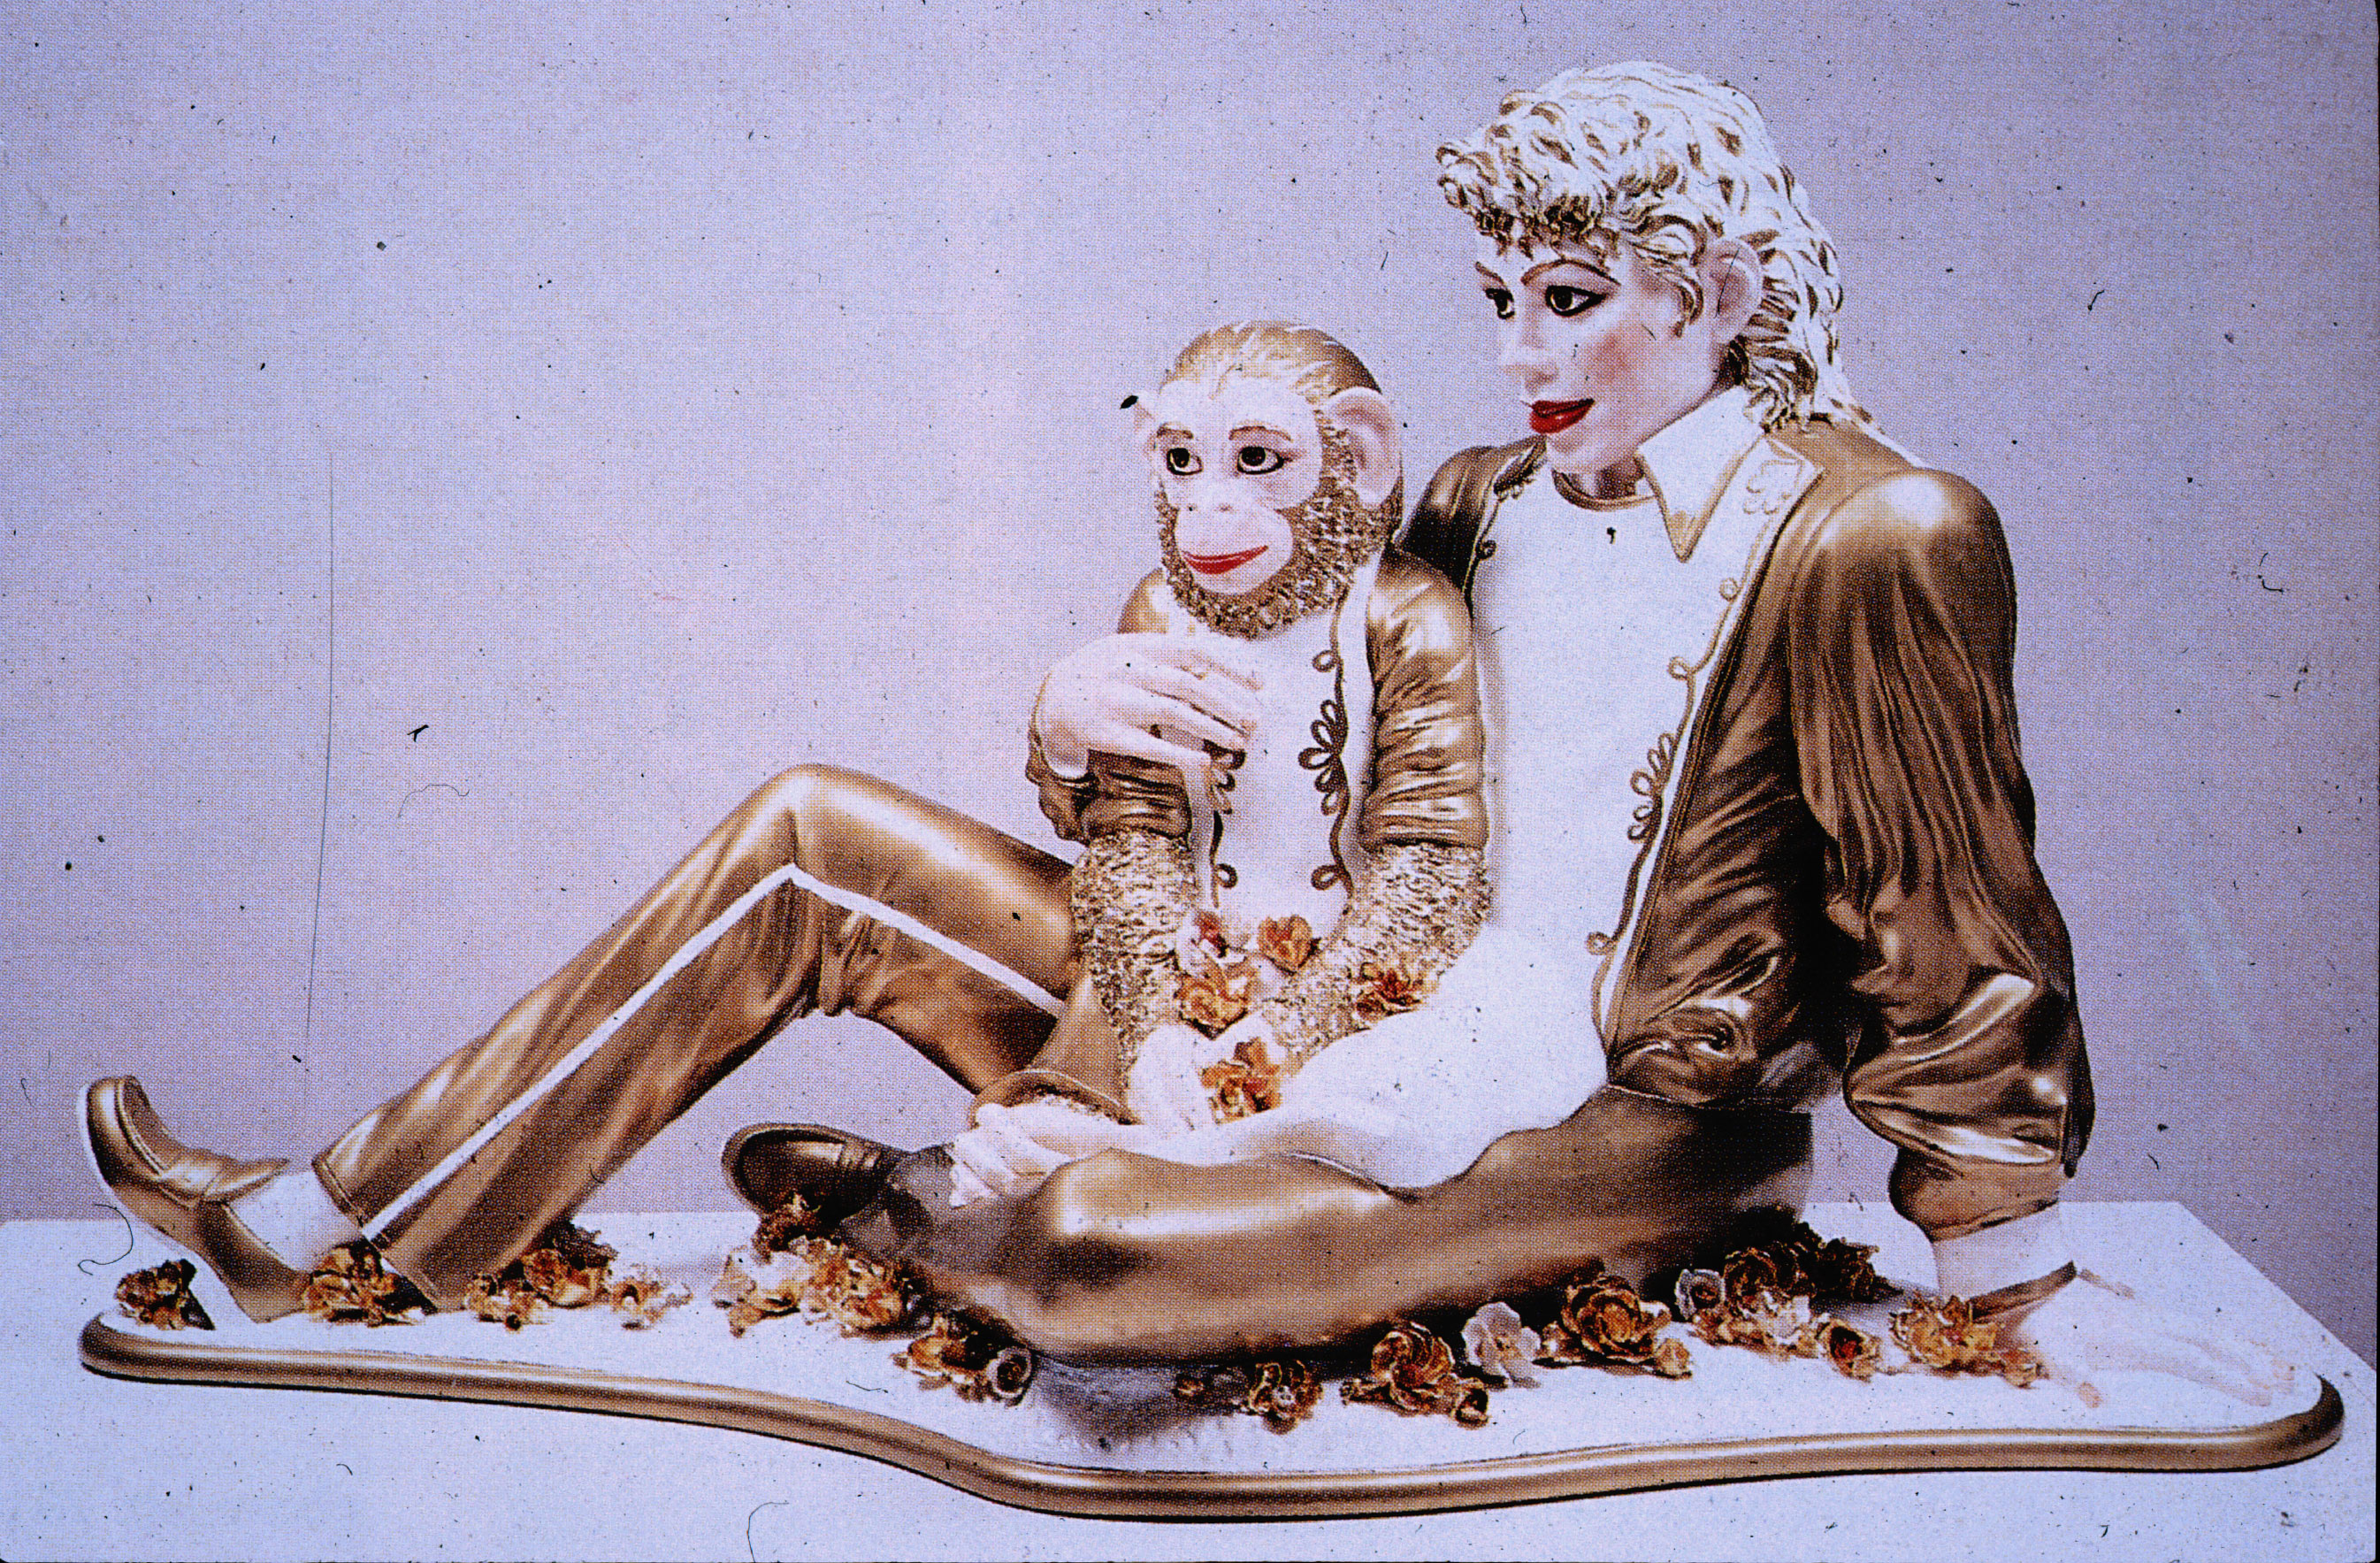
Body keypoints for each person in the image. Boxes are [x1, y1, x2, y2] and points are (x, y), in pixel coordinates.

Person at [88, 60, 2284, 1398]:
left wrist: (2002, 1266)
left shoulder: (1869, 528)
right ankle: (329, 1218)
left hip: (1615, 1098)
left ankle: (911, 1205)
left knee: (1099, 1254)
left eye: (1570, 300)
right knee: (808, 827)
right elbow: (1272, 690)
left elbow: (1943, 908)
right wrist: (1065, 722)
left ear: (1708, 287)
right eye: (1500, 301)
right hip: (1296, 971)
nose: (1520, 354)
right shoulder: (1476, 499)